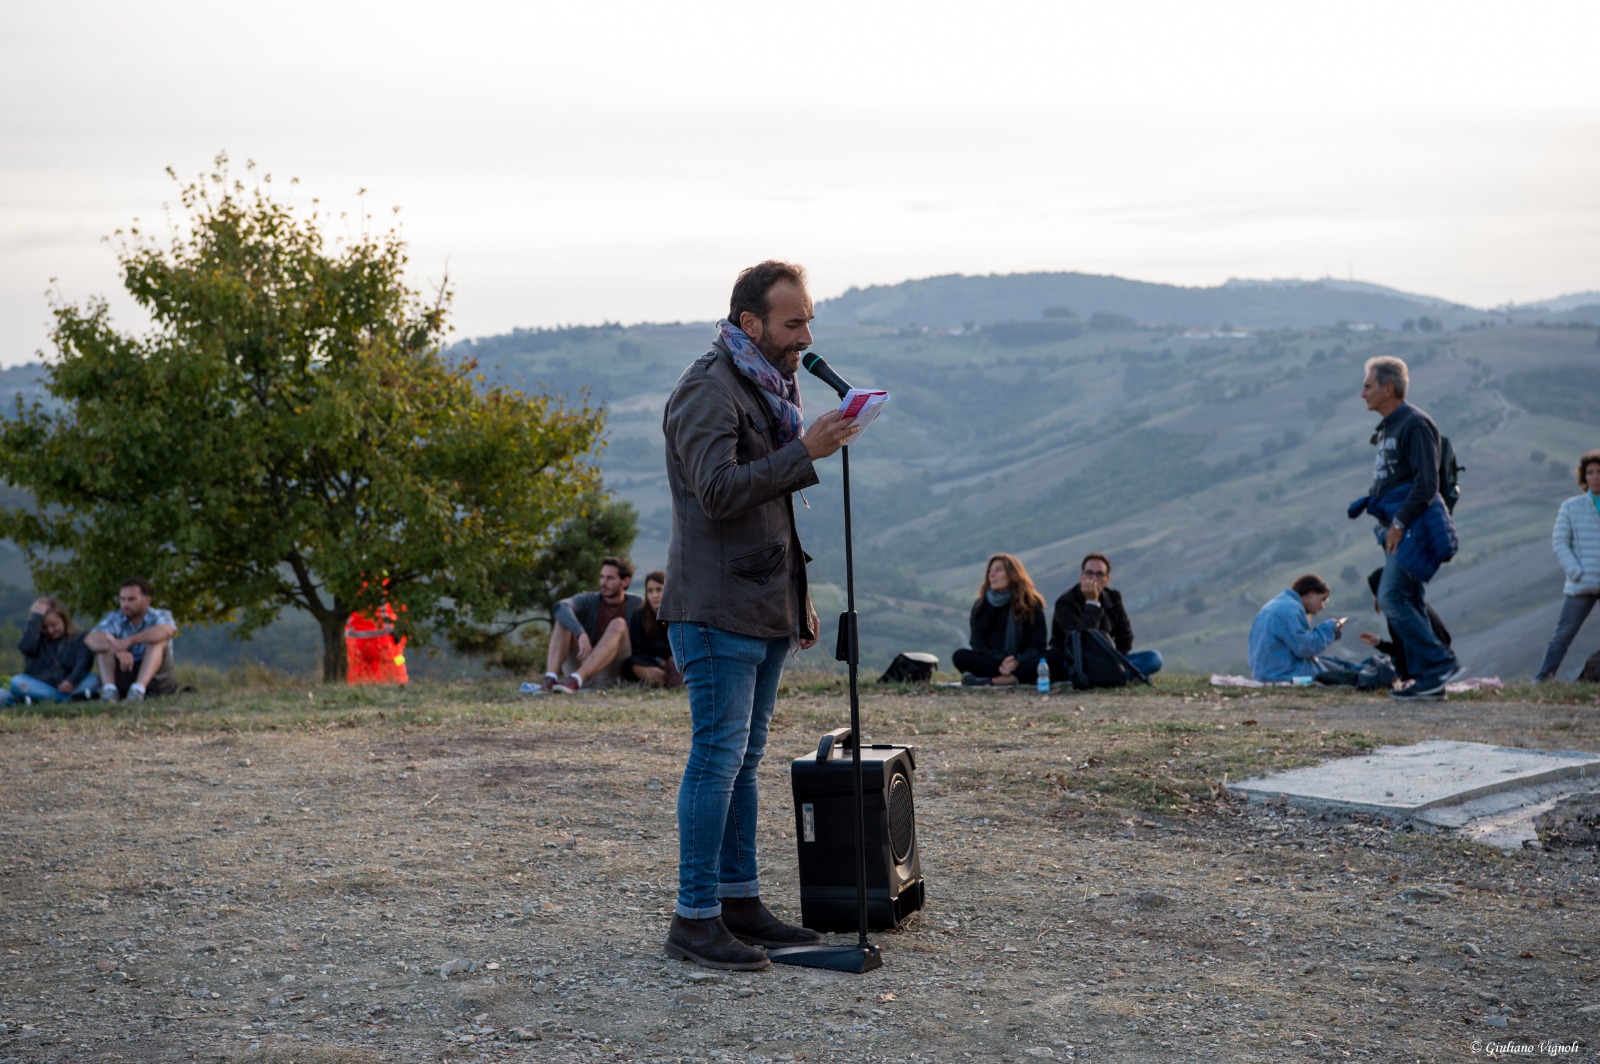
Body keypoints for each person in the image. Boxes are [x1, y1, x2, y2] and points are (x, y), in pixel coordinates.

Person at [659, 259, 860, 971]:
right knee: (716, 760)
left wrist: (795, 604)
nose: (806, 335)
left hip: (762, 604)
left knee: (743, 761)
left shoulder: (766, 386)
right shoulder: (707, 391)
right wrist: (804, 453)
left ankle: (738, 903)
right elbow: (717, 492)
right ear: (752, 324)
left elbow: (770, 508)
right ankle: (694, 919)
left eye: (809, 319)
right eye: (793, 322)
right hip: (714, 608)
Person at [1353, 355, 1461, 700]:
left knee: (1391, 597)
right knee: (1410, 600)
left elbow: (1427, 482)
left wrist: (1399, 523)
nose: (1362, 393)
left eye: (1368, 386)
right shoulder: (1390, 426)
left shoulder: (1414, 423)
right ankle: (1430, 682)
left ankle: (1440, 664)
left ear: (1388, 388)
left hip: (1411, 529)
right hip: (1397, 528)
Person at [1534, 449, 1600, 682]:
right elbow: (1560, 543)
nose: (1595, 477)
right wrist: (1575, 571)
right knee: (1562, 636)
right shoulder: (1571, 507)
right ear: (1584, 478)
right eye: (1590, 473)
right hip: (1582, 582)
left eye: (1599, 472)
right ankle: (1541, 681)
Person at [1046, 551, 1164, 681]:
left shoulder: (1113, 599)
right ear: (1081, 576)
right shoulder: (1066, 603)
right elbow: (1081, 642)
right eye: (1089, 573)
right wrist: (1092, 603)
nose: (1093, 578)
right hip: (1075, 662)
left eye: (1099, 574)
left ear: (1107, 580)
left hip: (1108, 661)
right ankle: (1124, 678)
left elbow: (1125, 637)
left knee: (1153, 657)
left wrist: (1112, 662)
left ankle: (1115, 678)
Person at [539, 556, 641, 693]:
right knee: (563, 620)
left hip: (612, 672)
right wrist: (580, 633)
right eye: (602, 577)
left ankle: (576, 679)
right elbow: (560, 607)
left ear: (625, 581)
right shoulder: (589, 599)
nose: (603, 582)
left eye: (610, 578)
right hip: (582, 662)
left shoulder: (637, 604)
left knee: (619, 624)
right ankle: (550, 678)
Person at [953, 553, 1047, 686]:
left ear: (1012, 574)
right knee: (960, 656)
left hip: (1022, 662)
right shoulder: (981, 605)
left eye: (998, 570)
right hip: (995, 663)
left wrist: (1017, 661)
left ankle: (993, 680)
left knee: (1052, 657)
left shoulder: (1031, 603)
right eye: (990, 571)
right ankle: (1012, 679)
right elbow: (977, 645)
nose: (992, 575)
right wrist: (1002, 660)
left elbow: (1038, 644)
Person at [83, 577, 179, 701]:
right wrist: (117, 650)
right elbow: (91, 638)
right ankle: (109, 690)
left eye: (131, 599)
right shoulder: (115, 618)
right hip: (126, 674)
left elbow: (166, 631)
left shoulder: (160, 615)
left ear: (147, 600)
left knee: (156, 641)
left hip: (158, 679)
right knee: (104, 642)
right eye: (122, 599)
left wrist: (129, 641)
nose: (125, 604)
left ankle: (138, 690)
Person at [1358, 567, 1451, 684]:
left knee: (1367, 666)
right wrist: (1380, 643)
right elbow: (1406, 649)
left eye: (1375, 593)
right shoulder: (1416, 605)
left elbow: (1405, 657)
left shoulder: (1399, 614)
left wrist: (1404, 680)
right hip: (1439, 666)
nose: (1374, 598)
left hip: (1423, 672)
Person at [1248, 574, 1347, 682]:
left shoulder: (1277, 604)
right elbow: (1306, 647)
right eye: (1322, 600)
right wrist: (1328, 629)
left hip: (1266, 670)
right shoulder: (1291, 610)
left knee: (1333, 662)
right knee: (1342, 672)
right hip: (1282, 673)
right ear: (1311, 593)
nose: (1322, 606)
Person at [0, 598, 98, 705]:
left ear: (64, 620)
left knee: (93, 680)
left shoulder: (79, 637)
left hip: (70, 683)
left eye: (54, 625)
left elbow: (84, 662)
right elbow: (26, 648)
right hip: (39, 684)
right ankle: (65, 699)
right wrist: (36, 618)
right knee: (17, 681)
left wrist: (72, 681)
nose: (50, 631)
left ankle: (41, 699)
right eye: (44, 627)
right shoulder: (34, 638)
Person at [622, 570, 681, 688]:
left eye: (659, 590)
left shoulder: (679, 615)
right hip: (650, 662)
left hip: (675, 663)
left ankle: (673, 681)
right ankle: (667, 680)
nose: (654, 595)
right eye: (650, 591)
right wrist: (660, 662)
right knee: (631, 664)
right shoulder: (639, 615)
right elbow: (637, 651)